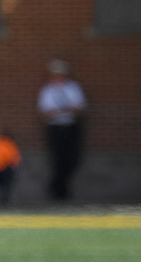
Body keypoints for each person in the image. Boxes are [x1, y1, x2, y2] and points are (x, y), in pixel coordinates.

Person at [37, 58, 87, 201]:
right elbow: (44, 113)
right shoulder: (47, 90)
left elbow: (80, 109)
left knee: (72, 159)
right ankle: (59, 191)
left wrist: (60, 111)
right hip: (55, 128)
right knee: (57, 159)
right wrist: (65, 110)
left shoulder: (73, 88)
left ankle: (58, 186)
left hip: (71, 127)